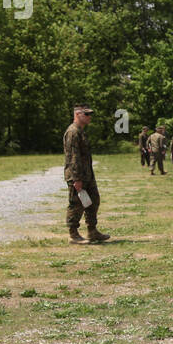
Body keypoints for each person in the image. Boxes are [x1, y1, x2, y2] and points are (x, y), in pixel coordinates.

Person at [64, 104, 111, 243]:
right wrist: (76, 179)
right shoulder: (73, 132)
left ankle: (92, 231)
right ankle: (73, 234)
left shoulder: (81, 131)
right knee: (77, 204)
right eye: (87, 114)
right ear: (77, 114)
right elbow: (73, 157)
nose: (90, 117)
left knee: (93, 201)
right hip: (77, 176)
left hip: (87, 174)